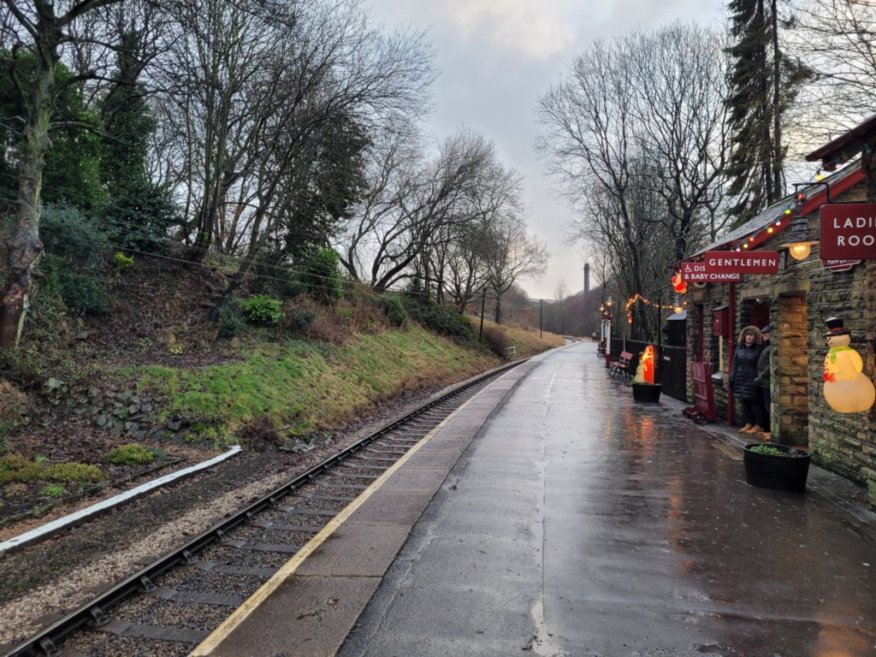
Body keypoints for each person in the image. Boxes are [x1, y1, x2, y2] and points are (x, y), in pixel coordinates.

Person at [728, 325, 766, 435]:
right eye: (748, 335)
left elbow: (760, 365)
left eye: (752, 335)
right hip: (741, 378)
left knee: (754, 402)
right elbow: (735, 364)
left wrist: (757, 378)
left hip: (752, 379)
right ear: (744, 336)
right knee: (744, 402)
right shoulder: (739, 348)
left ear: (755, 338)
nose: (749, 337)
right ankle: (748, 423)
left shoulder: (758, 349)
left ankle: (759, 425)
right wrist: (732, 377)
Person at [752, 324, 772, 440]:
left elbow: (770, 365)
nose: (763, 335)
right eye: (763, 333)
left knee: (768, 406)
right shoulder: (765, 346)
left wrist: (761, 376)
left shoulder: (770, 347)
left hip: (766, 381)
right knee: (765, 406)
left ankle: (770, 430)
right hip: (762, 381)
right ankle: (766, 429)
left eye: (766, 333)